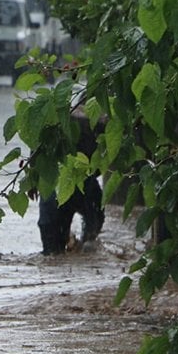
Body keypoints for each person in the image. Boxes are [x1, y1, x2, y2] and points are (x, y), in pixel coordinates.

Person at [37, 104, 107, 254]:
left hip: (59, 189)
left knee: (52, 253)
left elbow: (37, 154)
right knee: (90, 241)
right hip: (81, 186)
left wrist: (33, 181)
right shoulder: (95, 126)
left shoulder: (48, 128)